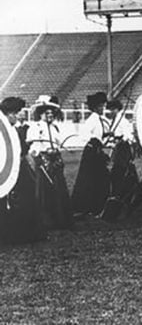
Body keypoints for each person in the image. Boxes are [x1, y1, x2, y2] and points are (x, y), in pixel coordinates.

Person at [0, 97, 47, 244]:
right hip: (7, 169)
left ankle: (27, 232)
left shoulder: (16, 129)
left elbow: (23, 150)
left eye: (18, 112)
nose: (18, 115)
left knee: (28, 197)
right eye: (14, 113)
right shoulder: (4, 131)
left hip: (21, 168)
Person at [27, 95, 73, 230]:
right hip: (44, 162)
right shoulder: (35, 127)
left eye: (51, 113)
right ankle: (47, 220)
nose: (50, 115)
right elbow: (33, 147)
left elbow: (58, 143)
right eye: (47, 113)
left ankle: (61, 218)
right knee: (44, 188)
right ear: (41, 114)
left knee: (59, 187)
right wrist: (41, 154)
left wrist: (55, 150)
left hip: (56, 161)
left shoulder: (55, 128)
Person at [101, 98, 142, 221]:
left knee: (121, 171)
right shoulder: (115, 121)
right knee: (119, 171)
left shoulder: (122, 121)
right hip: (118, 148)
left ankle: (125, 195)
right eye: (109, 109)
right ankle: (120, 192)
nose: (110, 111)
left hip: (123, 149)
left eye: (113, 109)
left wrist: (118, 138)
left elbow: (128, 136)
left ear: (118, 109)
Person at [71, 91, 111, 217]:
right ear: (94, 107)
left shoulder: (99, 119)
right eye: (100, 106)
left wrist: (106, 135)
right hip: (92, 152)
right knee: (91, 178)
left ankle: (96, 205)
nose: (102, 109)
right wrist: (95, 139)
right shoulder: (92, 119)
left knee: (99, 178)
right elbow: (84, 134)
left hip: (96, 151)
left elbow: (98, 135)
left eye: (103, 106)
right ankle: (87, 206)